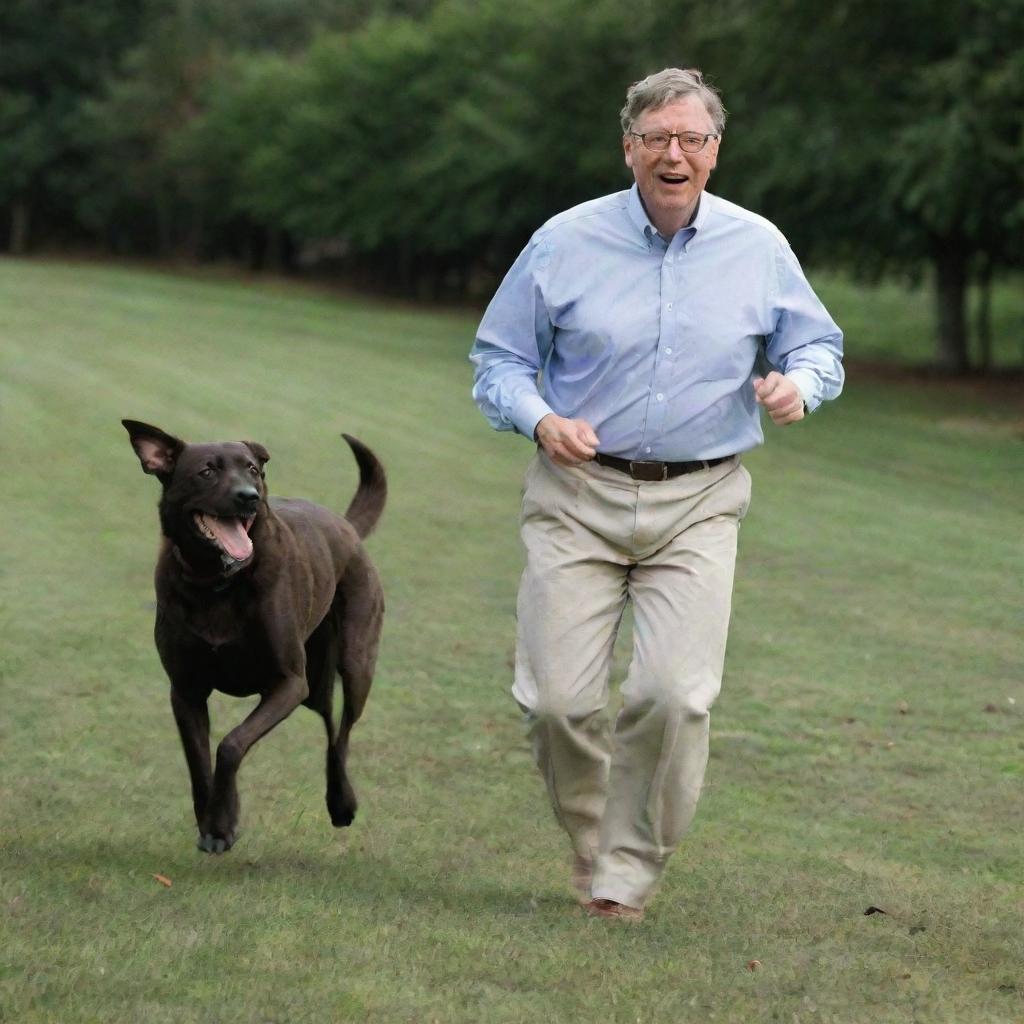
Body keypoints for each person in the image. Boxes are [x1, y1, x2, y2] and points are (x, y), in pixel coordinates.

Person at [469, 67, 843, 920]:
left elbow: (819, 345)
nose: (675, 154)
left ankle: (623, 875)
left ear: (716, 151)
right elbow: (499, 361)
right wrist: (538, 419)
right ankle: (598, 840)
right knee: (558, 703)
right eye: (658, 138)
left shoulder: (758, 247)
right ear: (628, 146)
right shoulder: (564, 241)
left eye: (693, 139)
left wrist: (800, 386)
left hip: (700, 502)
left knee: (673, 695)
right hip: (577, 494)